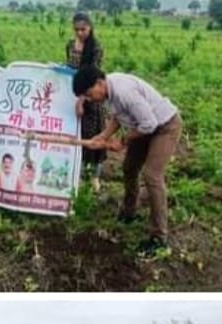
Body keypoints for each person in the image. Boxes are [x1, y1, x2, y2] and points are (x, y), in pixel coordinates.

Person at [73, 66, 182, 258]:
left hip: (164, 126)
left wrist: (122, 141)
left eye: (90, 94)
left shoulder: (124, 92)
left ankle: (159, 238)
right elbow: (118, 116)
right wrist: (104, 136)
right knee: (130, 167)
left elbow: (150, 124)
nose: (90, 99)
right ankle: (129, 211)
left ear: (99, 83)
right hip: (143, 126)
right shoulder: (108, 92)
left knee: (152, 175)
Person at [65, 13, 106, 191]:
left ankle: (95, 177)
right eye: (77, 30)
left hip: (92, 97)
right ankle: (78, 174)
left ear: (90, 27)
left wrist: (82, 101)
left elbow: (92, 76)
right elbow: (69, 68)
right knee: (76, 135)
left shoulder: (96, 47)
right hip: (75, 93)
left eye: (83, 29)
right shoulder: (69, 45)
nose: (80, 33)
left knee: (95, 138)